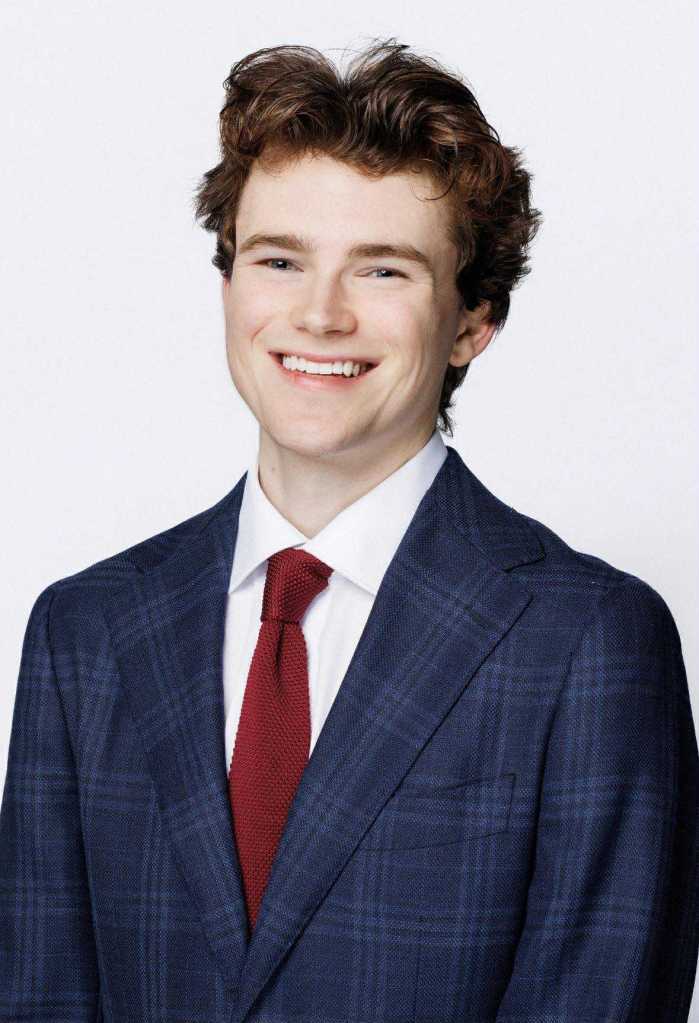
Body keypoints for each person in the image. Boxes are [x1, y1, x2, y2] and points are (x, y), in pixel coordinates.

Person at [1, 37, 697, 1023]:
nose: (319, 315)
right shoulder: (86, 630)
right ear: (228, 286)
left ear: (472, 322)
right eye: (279, 260)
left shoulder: (588, 642)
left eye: (382, 271)